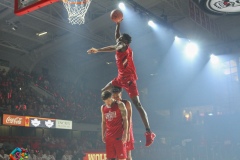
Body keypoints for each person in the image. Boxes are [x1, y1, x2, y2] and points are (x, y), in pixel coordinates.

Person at [87, 21, 156, 146]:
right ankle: (115, 116)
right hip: (120, 77)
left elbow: (113, 47)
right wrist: (118, 24)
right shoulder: (122, 43)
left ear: (125, 43)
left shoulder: (121, 47)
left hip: (129, 80)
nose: (118, 40)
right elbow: (117, 36)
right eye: (119, 39)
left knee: (138, 105)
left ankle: (149, 132)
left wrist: (98, 50)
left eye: (121, 40)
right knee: (104, 90)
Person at [101, 90, 128, 160]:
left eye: (109, 100)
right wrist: (103, 134)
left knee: (122, 158)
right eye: (106, 101)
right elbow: (103, 122)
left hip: (119, 136)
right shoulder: (103, 107)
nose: (108, 103)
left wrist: (125, 134)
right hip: (109, 137)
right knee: (109, 158)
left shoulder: (120, 104)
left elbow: (125, 120)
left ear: (112, 97)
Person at [112, 86, 134, 160]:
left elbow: (129, 118)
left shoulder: (126, 103)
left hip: (126, 130)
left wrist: (127, 133)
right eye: (114, 96)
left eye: (117, 96)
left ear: (120, 94)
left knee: (128, 155)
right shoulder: (112, 105)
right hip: (116, 132)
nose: (115, 98)